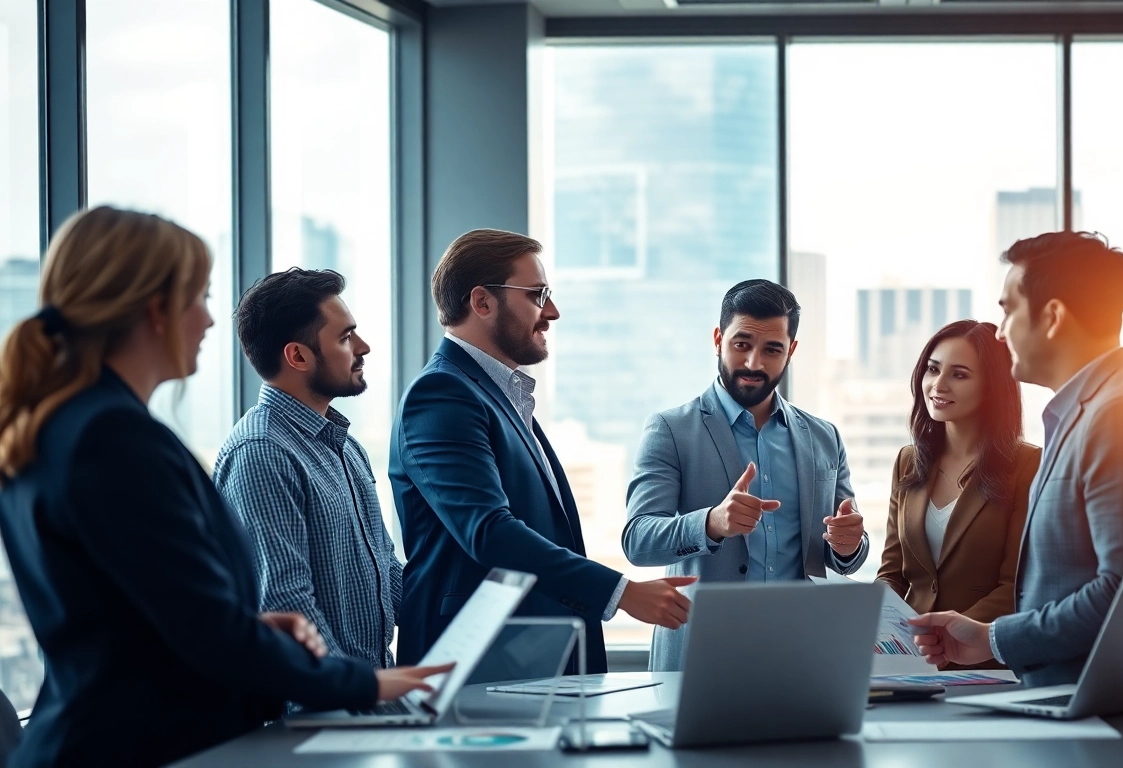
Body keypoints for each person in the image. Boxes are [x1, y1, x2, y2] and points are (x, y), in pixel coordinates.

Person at [0, 207, 449, 768]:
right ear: (153, 310)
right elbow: (199, 632)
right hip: (127, 750)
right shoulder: (109, 437)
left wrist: (252, 627)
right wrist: (370, 687)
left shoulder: (70, 426)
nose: (210, 321)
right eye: (201, 298)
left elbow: (138, 616)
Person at [390, 228, 696, 679]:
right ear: (482, 302)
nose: (552, 311)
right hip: (478, 667)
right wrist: (620, 592)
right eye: (537, 294)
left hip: (528, 661)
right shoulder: (441, 395)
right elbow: (489, 532)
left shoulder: (499, 396)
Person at [910, 231, 1123, 687]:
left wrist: (997, 641)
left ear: (1052, 316)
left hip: (1100, 714)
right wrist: (989, 637)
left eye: (1008, 310)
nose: (1000, 331)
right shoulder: (1086, 413)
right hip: (1068, 702)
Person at [624, 279, 868, 672]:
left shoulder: (824, 436)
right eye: (742, 344)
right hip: (704, 654)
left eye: (772, 349)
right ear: (718, 338)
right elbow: (638, 540)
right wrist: (711, 523)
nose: (754, 363)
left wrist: (848, 546)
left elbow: (844, 553)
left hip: (804, 655)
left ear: (790, 351)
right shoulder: (671, 429)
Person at [215, 268, 401, 670]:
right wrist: (370, 695)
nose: (363, 347)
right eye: (345, 337)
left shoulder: (346, 447)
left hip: (365, 706)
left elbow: (384, 566)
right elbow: (285, 603)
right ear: (298, 355)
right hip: (314, 716)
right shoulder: (261, 453)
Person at [878, 320, 1040, 654]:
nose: (938, 384)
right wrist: (875, 618)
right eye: (933, 369)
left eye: (959, 374)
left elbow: (1016, 585)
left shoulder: (1028, 464)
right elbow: (893, 574)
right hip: (909, 658)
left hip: (982, 660)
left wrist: (949, 638)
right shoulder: (908, 461)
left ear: (992, 386)